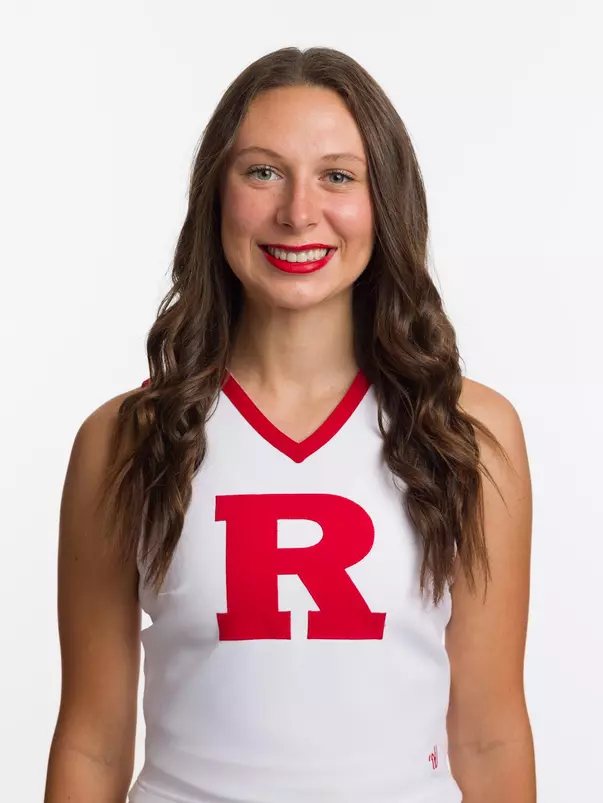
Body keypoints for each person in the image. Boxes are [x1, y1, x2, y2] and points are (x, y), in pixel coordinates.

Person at [44, 46, 536, 803]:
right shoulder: (124, 439)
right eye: (263, 171)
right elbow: (92, 741)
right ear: (217, 194)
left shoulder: (469, 431)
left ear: (385, 202)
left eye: (337, 175)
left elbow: (488, 732)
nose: (298, 212)